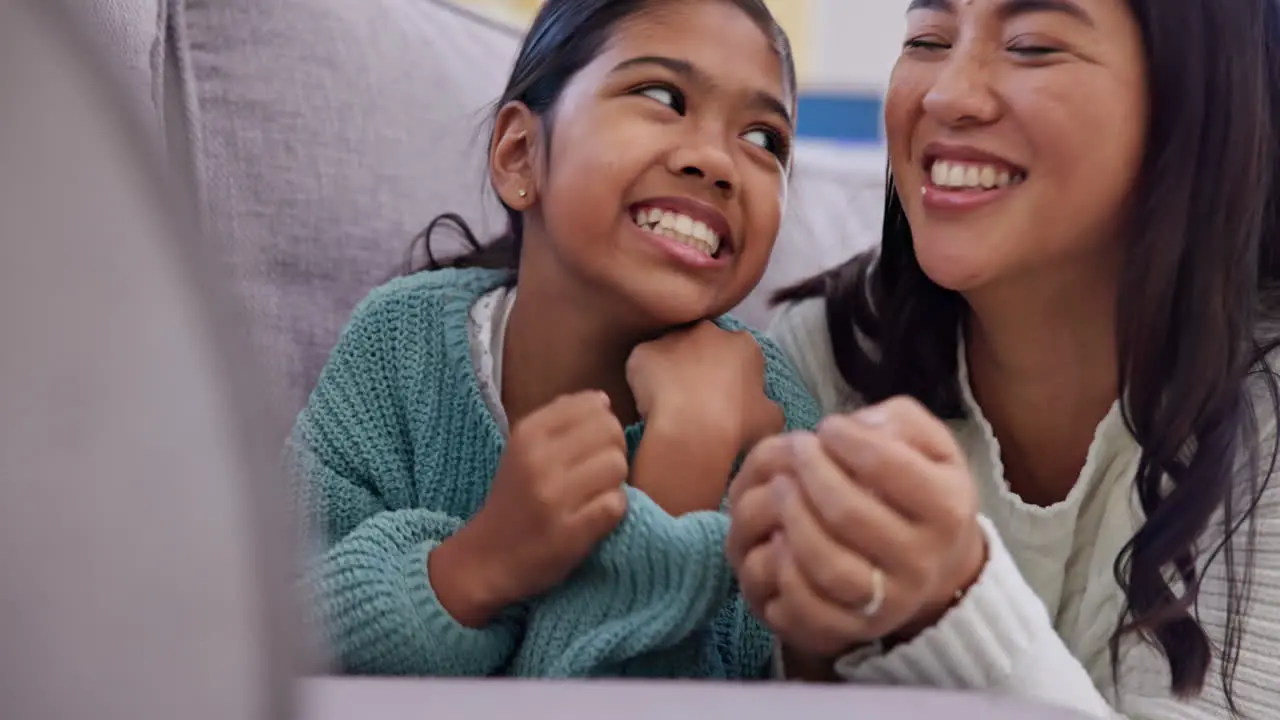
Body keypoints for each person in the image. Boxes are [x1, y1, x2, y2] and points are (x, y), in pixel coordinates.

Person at [727, 0, 1280, 716]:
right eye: (928, 38)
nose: (947, 93)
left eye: (1033, 46)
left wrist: (951, 597)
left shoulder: (1260, 405)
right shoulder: (824, 355)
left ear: (1197, 103)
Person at [289, 0, 820, 679]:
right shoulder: (400, 347)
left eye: (763, 139)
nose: (716, 161)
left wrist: (688, 454)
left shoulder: (778, 437)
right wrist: (480, 564)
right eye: (662, 95)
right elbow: (272, 624)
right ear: (520, 156)